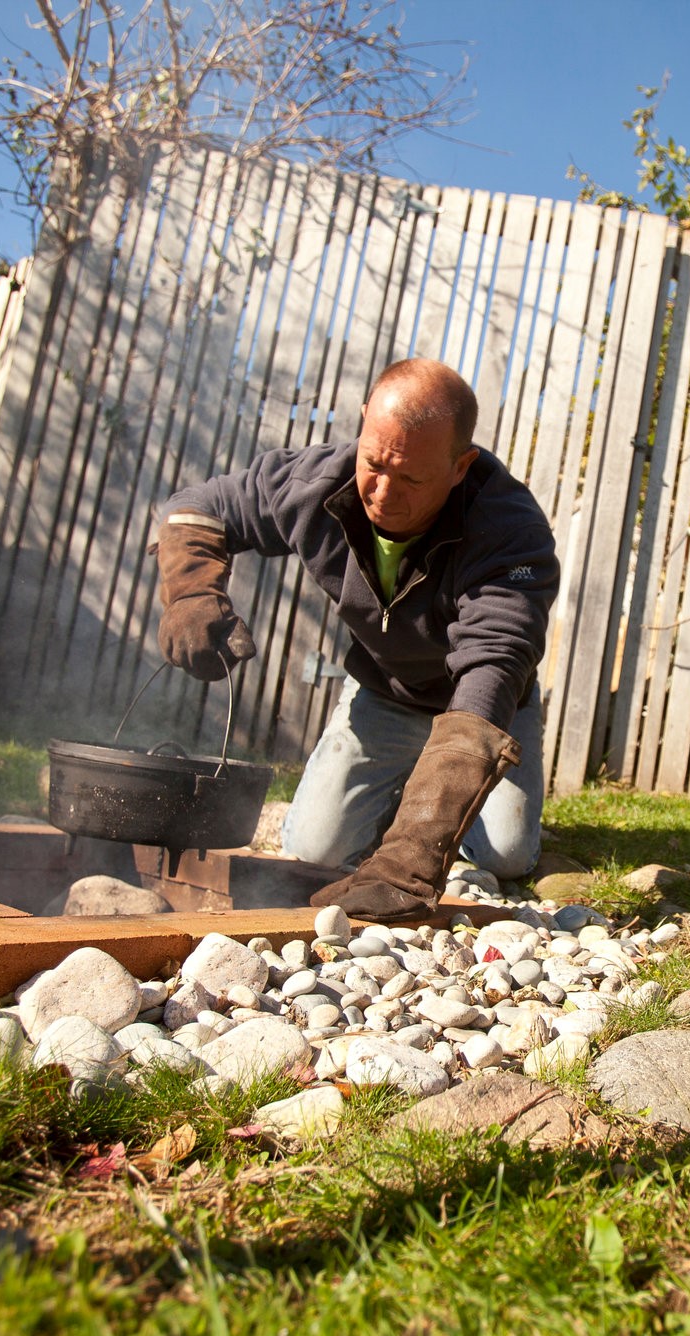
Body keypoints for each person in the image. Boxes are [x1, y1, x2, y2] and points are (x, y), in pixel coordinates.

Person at [152, 358, 558, 920]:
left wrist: (415, 852)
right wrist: (191, 593)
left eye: (412, 478)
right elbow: (196, 511)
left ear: (461, 465)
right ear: (364, 422)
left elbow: (495, 663)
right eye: (374, 463)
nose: (383, 494)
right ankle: (395, 799)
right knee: (314, 850)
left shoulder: (511, 532)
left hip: (485, 711)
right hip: (385, 693)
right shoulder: (314, 484)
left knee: (506, 855)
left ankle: (430, 813)